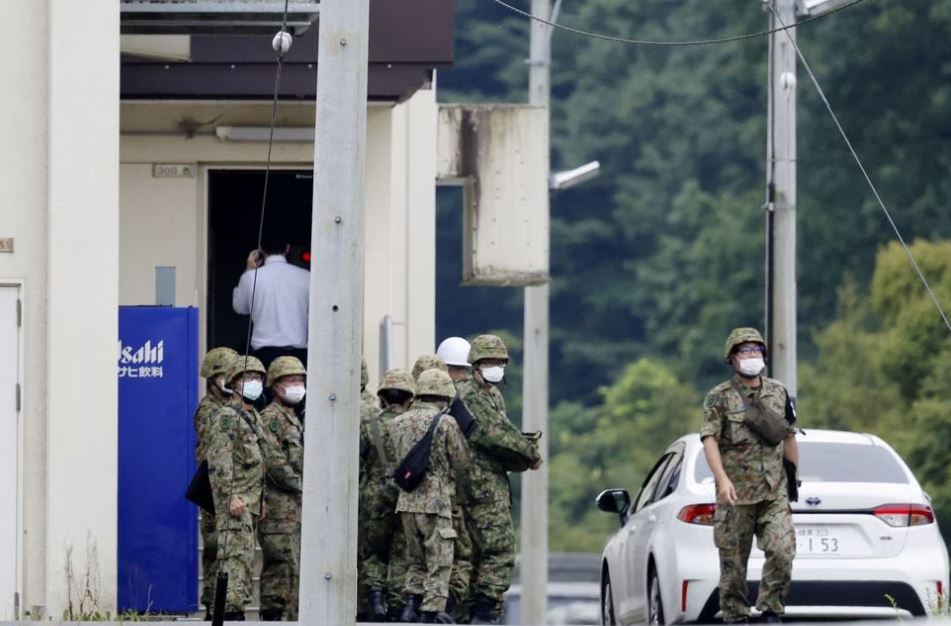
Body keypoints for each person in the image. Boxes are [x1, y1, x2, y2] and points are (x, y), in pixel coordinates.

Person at [700, 327, 799, 624]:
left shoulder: (778, 392)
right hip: (736, 494)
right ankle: (737, 616)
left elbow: (789, 436)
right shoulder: (719, 397)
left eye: (756, 350)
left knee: (782, 551)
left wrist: (793, 480)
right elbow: (709, 439)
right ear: (731, 358)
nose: (752, 356)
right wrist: (722, 480)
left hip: (773, 491)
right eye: (744, 351)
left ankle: (771, 611)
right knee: (732, 566)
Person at [458, 335, 543, 624]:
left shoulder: (491, 395)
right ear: (475, 365)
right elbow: (494, 434)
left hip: (490, 481)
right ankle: (484, 611)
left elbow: (504, 433)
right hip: (477, 485)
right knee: (498, 548)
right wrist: (530, 452)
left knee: (480, 552)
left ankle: (481, 610)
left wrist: (522, 450)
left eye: (499, 362)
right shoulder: (469, 393)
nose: (495, 367)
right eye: (489, 362)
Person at [390, 369, 470, 624]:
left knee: (416, 559)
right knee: (440, 557)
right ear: (445, 394)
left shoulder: (398, 422)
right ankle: (432, 610)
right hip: (436, 502)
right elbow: (461, 461)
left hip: (406, 501)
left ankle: (410, 605)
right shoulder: (446, 423)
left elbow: (394, 461)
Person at [205, 356, 269, 621]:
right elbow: (220, 461)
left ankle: (234, 610)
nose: (254, 383)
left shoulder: (253, 417)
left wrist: (261, 501)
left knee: (244, 561)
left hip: (250, 503)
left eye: (258, 378)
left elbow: (257, 464)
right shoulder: (227, 418)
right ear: (233, 383)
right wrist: (229, 497)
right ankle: (229, 614)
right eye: (247, 378)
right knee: (234, 560)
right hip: (235, 502)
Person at [358, 368, 417, 622]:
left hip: (374, 497)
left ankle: (376, 600)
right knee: (401, 553)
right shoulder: (414, 426)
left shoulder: (370, 426)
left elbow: (357, 459)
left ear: (381, 398)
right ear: (409, 399)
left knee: (373, 552)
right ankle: (398, 606)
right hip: (405, 496)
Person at [257, 357, 307, 621]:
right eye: (291, 381)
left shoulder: (292, 418)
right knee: (281, 569)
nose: (298, 385)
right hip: (278, 510)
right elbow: (275, 463)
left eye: (300, 380)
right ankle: (273, 618)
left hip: (293, 510)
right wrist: (305, 487)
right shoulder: (271, 419)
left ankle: (289, 618)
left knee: (293, 570)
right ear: (275, 386)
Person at [195, 347, 239, 619]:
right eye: (226, 375)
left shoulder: (229, 408)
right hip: (212, 488)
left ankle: (218, 604)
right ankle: (214, 605)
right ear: (212, 378)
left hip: (226, 485)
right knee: (215, 547)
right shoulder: (209, 410)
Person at [434, 337, 476, 622]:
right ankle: (444, 608)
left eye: (462, 371)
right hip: (449, 496)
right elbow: (463, 460)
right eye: (455, 370)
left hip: (415, 497)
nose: (458, 378)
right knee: (456, 555)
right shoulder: (456, 411)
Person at [232, 237, 310, 371]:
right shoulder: (306, 276)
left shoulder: (251, 277)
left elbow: (240, 308)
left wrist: (249, 270)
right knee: (298, 390)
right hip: (299, 353)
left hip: (264, 354)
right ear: (287, 248)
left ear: (261, 249)